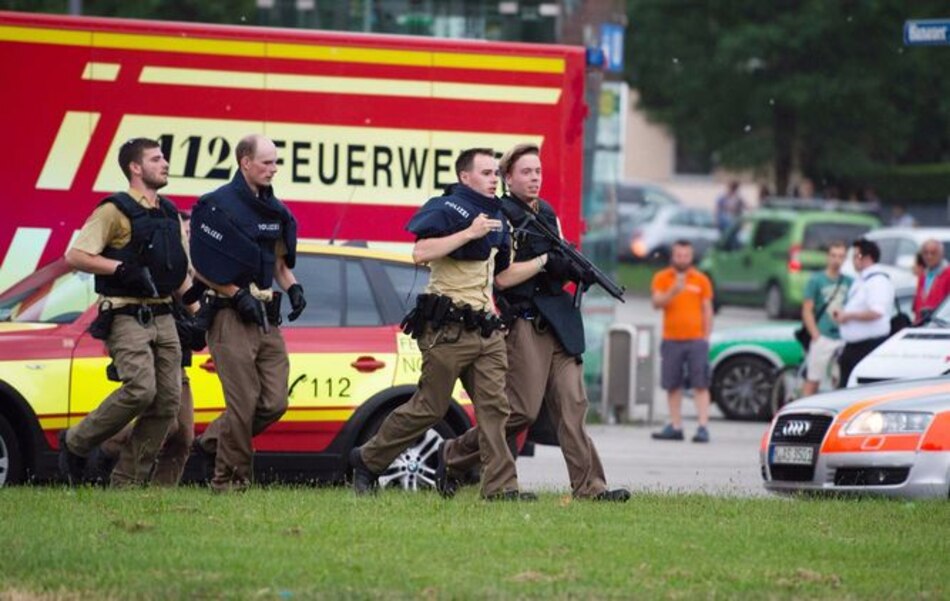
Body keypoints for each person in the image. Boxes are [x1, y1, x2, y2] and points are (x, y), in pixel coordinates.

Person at [438, 143, 630, 502]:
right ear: (508, 178)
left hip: (560, 323)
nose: (534, 178)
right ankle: (454, 454)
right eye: (526, 172)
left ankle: (591, 487)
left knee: (573, 408)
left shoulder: (548, 214)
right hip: (525, 323)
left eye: (538, 171)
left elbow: (557, 259)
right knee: (520, 411)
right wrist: (544, 261)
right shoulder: (501, 215)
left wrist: (571, 269)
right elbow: (503, 278)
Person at [349, 148, 527, 501]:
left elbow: (501, 276)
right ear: (465, 177)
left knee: (496, 408)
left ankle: (501, 489)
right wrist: (468, 233)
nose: (495, 178)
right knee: (430, 407)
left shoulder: (500, 218)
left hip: (486, 329)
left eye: (496, 173)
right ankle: (368, 460)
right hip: (447, 329)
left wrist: (545, 262)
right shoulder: (445, 208)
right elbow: (421, 252)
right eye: (487, 172)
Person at [59, 138, 190, 486]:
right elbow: (76, 256)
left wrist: (197, 310)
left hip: (164, 315)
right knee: (141, 389)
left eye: (163, 158)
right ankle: (75, 442)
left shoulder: (169, 213)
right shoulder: (113, 210)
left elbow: (178, 273)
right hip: (126, 314)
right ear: (135, 167)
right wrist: (119, 269)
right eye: (156, 158)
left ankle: (126, 482)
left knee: (167, 404)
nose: (165, 164)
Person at [189, 134, 307, 493]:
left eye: (276, 162)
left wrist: (293, 287)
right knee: (243, 404)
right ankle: (229, 481)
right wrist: (234, 293)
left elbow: (278, 264)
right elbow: (201, 265)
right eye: (266, 162)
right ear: (244, 162)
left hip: (266, 317)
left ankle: (211, 443)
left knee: (274, 402)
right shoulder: (216, 206)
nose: (273, 169)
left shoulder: (275, 210)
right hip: (229, 316)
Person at [94, 212, 204, 486]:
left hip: (180, 358)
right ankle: (104, 451)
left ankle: (159, 496)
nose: (187, 239)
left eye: (190, 235)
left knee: (184, 436)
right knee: (169, 424)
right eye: (184, 233)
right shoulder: (161, 266)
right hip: (153, 350)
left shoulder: (194, 270)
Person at [650, 240, 714, 442]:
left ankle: (703, 426)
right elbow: (656, 303)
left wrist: (706, 336)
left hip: (696, 339)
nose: (682, 259)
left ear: (691, 257)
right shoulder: (662, 278)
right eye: (679, 255)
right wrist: (674, 291)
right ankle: (676, 425)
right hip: (671, 339)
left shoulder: (701, 279)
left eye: (686, 256)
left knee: (700, 383)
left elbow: (707, 309)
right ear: (673, 256)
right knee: (672, 384)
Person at [833, 238, 895, 388]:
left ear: (867, 258)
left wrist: (848, 316)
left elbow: (877, 312)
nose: (853, 261)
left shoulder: (877, 281)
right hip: (854, 346)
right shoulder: (862, 280)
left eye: (856, 256)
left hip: (868, 345)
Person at [800, 242, 852, 397]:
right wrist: (815, 334)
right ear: (828, 257)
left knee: (839, 380)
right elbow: (807, 309)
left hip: (843, 337)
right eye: (834, 255)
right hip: (823, 335)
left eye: (841, 256)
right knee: (813, 379)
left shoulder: (849, 282)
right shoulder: (816, 280)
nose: (837, 260)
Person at [912, 239, 950, 324]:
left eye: (933, 253)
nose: (929, 256)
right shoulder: (923, 275)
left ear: (941, 254)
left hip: (939, 325)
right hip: (922, 324)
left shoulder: (948, 273)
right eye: (926, 253)